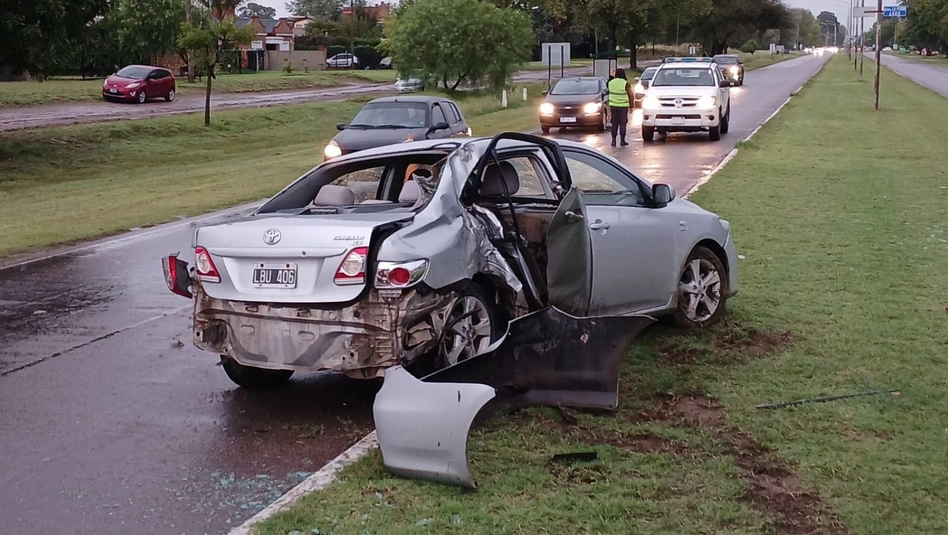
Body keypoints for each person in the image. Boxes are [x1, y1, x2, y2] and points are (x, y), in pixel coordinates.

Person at [607, 68, 635, 147]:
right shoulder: (625, 83)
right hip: (623, 107)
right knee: (623, 123)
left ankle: (613, 141)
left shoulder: (611, 83)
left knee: (614, 124)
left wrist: (611, 76)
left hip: (613, 106)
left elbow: (607, 85)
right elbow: (630, 95)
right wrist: (631, 106)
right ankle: (622, 141)